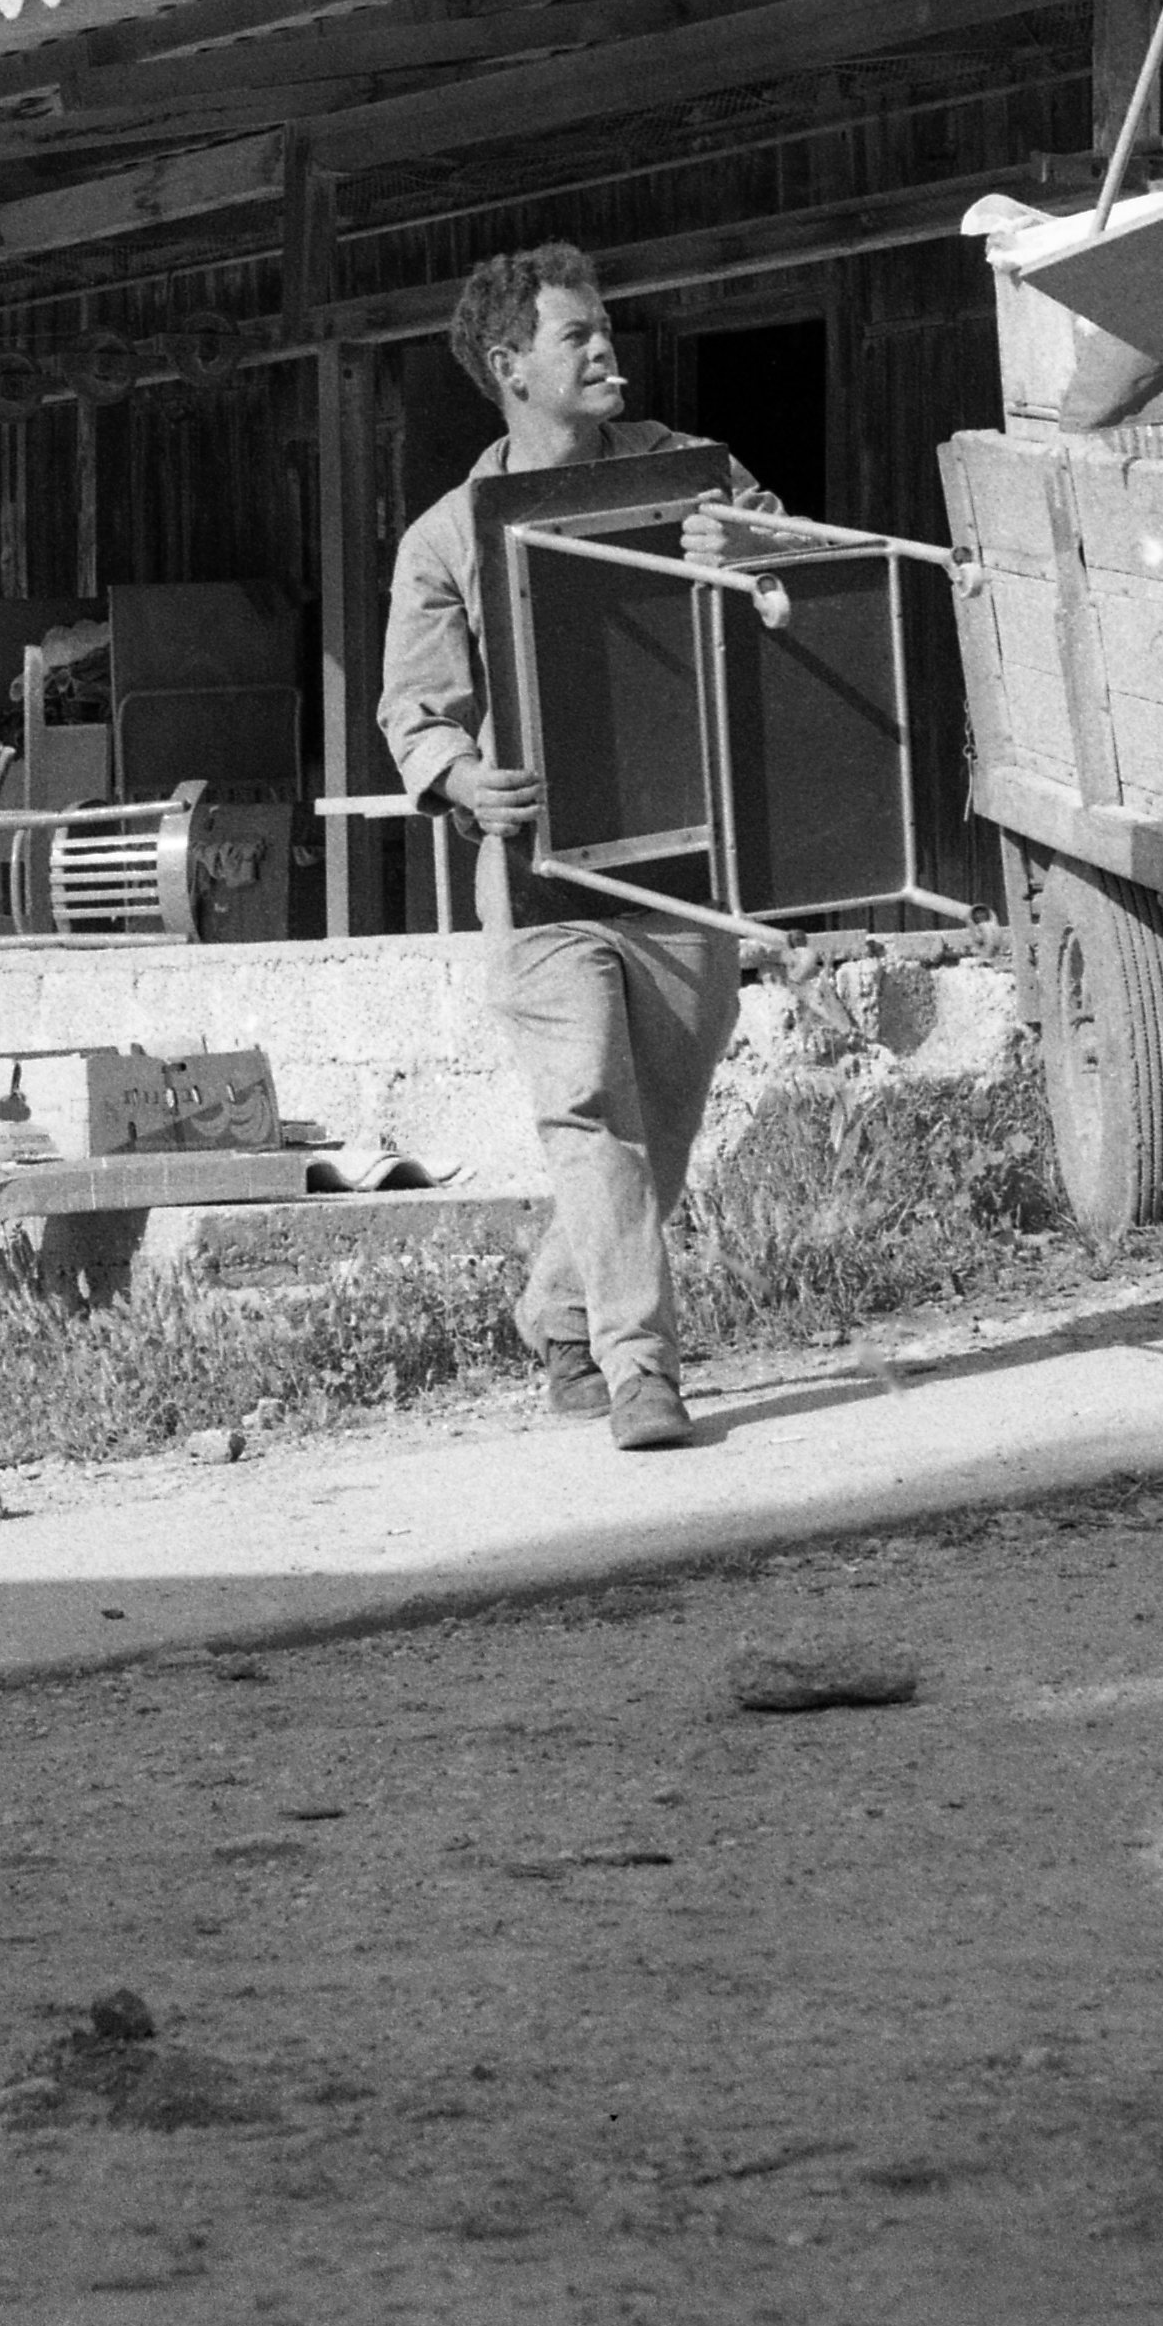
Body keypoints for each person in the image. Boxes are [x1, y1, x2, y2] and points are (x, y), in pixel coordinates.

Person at [378, 247, 778, 1452]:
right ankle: (638, 1368)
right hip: (542, 868)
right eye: (576, 338)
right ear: (508, 369)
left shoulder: (688, 476)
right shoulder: (445, 538)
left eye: (606, 331)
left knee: (664, 1116)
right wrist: (458, 778)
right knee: (588, 1107)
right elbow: (416, 709)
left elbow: (797, 573)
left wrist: (747, 558)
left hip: (683, 856)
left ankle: (559, 1315)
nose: (606, 352)